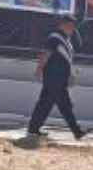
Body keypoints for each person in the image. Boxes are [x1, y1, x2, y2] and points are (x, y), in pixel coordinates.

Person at [25, 15, 85, 144]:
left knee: (46, 105)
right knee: (63, 106)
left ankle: (33, 129)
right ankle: (77, 131)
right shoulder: (55, 38)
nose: (72, 29)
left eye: (73, 27)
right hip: (54, 78)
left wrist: (71, 74)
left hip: (59, 79)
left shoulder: (65, 41)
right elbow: (47, 55)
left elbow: (66, 61)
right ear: (62, 25)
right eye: (70, 26)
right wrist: (38, 70)